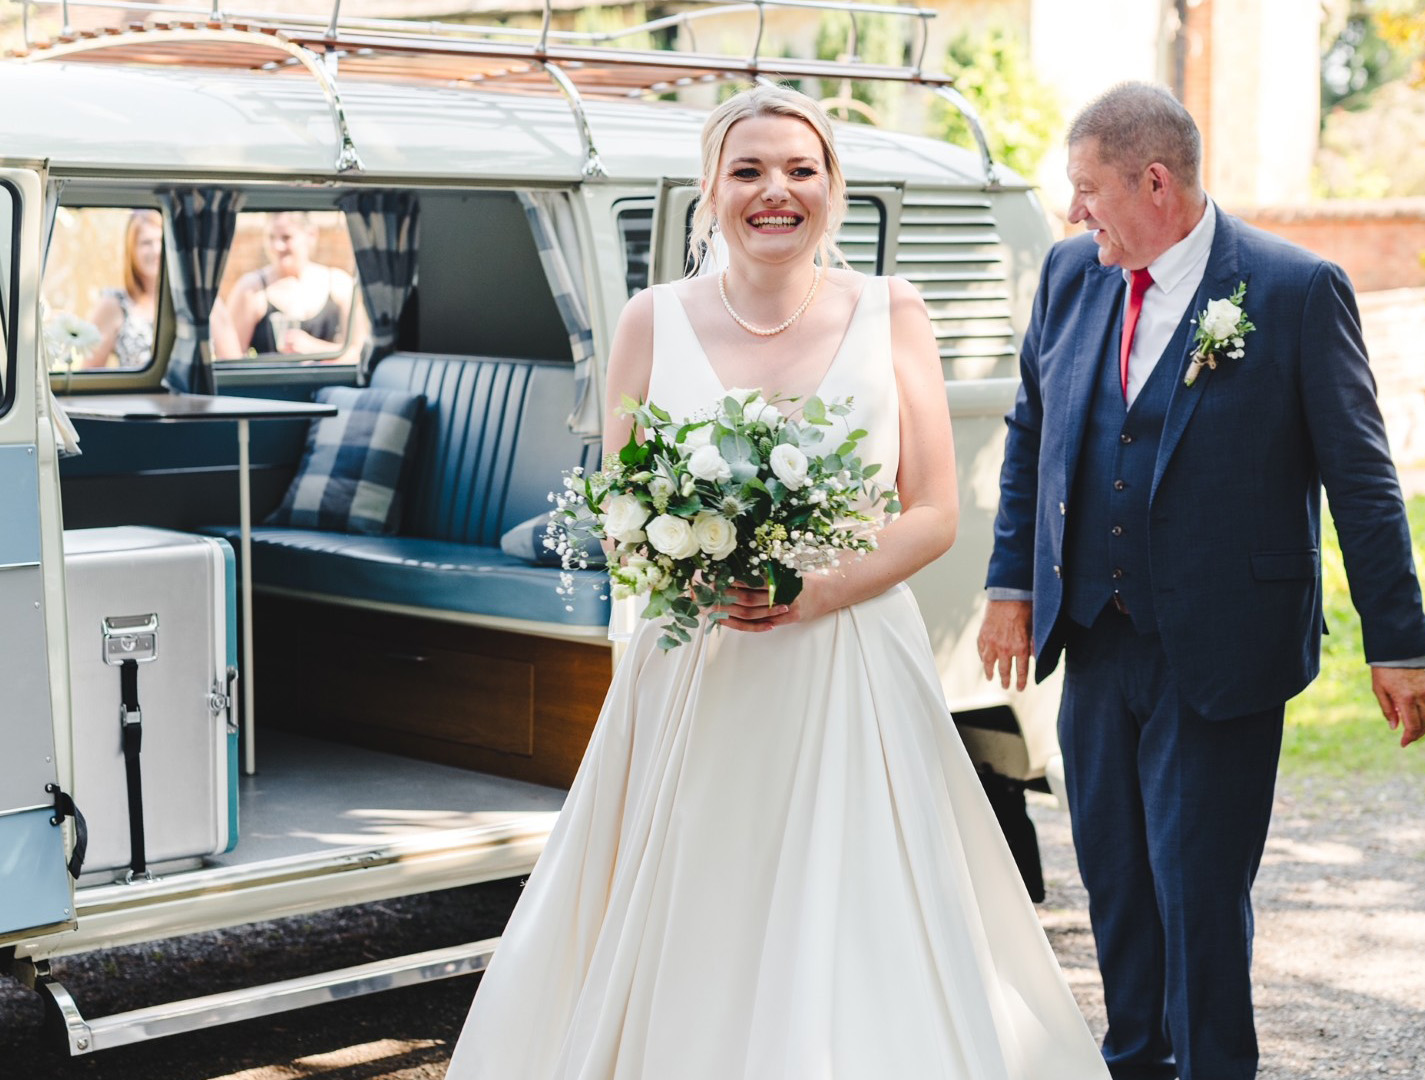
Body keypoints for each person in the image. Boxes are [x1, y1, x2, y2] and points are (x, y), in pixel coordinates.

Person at [446, 85, 1108, 1079]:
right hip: (700, 665)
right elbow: (621, 513)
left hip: (852, 662)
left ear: (831, 187)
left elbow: (932, 510)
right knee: (698, 896)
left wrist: (820, 588)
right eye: (749, 170)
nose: (776, 191)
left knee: (858, 902)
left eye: (802, 170)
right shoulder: (649, 322)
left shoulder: (893, 310)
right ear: (710, 190)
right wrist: (691, 566)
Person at [977, 83, 1425, 1080]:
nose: (1073, 212)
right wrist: (1011, 584)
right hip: (1096, 642)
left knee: (1196, 893)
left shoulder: (1290, 291)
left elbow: (1363, 480)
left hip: (1224, 647)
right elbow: (1033, 438)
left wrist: (1396, 643)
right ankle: (1134, 1062)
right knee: (1114, 886)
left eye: (1086, 188)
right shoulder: (1070, 276)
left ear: (1154, 181)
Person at [220, 211, 362, 359]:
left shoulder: (340, 284)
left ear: (311, 235)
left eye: (286, 237)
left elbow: (358, 352)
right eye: (271, 237)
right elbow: (231, 357)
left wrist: (314, 348)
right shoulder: (250, 288)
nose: (277, 246)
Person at [81, 209, 161, 369]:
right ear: (132, 249)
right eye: (146, 242)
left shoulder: (190, 302)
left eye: (161, 241)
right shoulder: (114, 304)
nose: (156, 250)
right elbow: (89, 373)